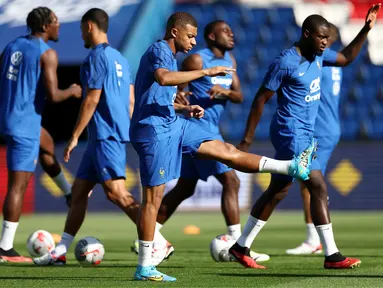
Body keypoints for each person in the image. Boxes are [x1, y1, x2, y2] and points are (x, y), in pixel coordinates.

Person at [130, 12, 315, 282]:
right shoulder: (160, 50)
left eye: (195, 36)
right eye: (190, 36)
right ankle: (144, 267)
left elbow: (157, 95)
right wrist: (206, 71)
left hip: (174, 122)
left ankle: (291, 167)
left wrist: (184, 107)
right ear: (174, 32)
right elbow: (162, 78)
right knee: (153, 200)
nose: (193, 42)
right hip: (153, 132)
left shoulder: (173, 55)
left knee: (226, 153)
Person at [229, 4, 380, 270]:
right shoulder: (286, 61)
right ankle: (332, 255)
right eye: (321, 37)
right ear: (307, 34)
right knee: (318, 185)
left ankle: (241, 246)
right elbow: (260, 99)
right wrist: (248, 139)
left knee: (278, 190)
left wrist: (366, 28)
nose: (326, 42)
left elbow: (346, 58)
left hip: (305, 134)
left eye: (327, 39)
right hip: (290, 132)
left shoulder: (318, 56)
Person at [33, 8, 169, 266]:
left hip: (105, 135)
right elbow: (130, 99)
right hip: (107, 135)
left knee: (117, 193)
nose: (82, 33)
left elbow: (91, 99)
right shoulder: (120, 58)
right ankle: (60, 250)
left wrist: (74, 136)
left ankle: (159, 241)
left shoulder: (95, 57)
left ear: (90, 26)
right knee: (79, 192)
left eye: (83, 28)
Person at [154, 20, 269, 262]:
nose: (232, 35)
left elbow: (239, 96)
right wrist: (184, 98)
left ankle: (150, 234)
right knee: (231, 180)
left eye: (232, 30)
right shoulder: (197, 60)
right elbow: (177, 90)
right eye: (226, 31)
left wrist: (224, 91)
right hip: (196, 128)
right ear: (211, 36)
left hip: (210, 128)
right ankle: (240, 245)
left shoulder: (230, 62)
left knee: (185, 188)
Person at [0, 6, 82, 263]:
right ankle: (4, 249)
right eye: (56, 22)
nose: (60, 26)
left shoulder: (12, 45)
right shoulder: (47, 53)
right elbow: (55, 95)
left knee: (46, 147)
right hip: (23, 123)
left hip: (11, 116)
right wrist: (73, 90)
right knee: (18, 185)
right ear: (46, 26)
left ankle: (69, 193)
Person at [286, 23, 342, 255]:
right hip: (328, 127)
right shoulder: (334, 64)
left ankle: (314, 239)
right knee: (307, 180)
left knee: (310, 181)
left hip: (320, 129)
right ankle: (315, 238)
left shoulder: (319, 62)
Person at [39, 127, 73, 206]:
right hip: (20, 121)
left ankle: (69, 192)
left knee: (16, 187)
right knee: (17, 188)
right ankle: (68, 191)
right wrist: (75, 137)